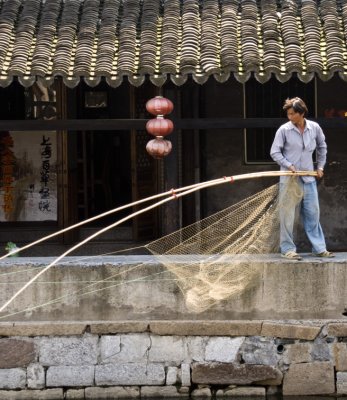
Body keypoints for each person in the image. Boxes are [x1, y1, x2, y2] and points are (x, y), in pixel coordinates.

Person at [270, 97, 334, 260]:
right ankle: (288, 249)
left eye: (292, 114)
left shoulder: (314, 128)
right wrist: (289, 165)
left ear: (302, 113)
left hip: (308, 178)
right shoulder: (284, 130)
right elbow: (275, 152)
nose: (289, 117)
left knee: (313, 213)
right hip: (289, 179)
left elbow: (322, 147)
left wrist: (320, 167)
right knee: (288, 215)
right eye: (288, 114)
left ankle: (319, 248)